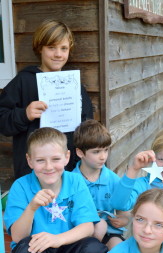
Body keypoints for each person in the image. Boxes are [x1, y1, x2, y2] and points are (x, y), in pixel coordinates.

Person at [3, 127, 108, 253]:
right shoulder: (21, 186)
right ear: (29, 161)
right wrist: (31, 208)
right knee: (27, 251)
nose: (49, 167)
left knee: (95, 249)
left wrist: (57, 239)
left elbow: (87, 227)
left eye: (55, 159)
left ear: (67, 157)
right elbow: (17, 236)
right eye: (40, 160)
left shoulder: (75, 182)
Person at [0, 19, 93, 179]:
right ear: (40, 49)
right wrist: (24, 114)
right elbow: (2, 121)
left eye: (63, 48)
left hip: (69, 169)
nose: (58, 54)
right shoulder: (23, 81)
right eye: (51, 47)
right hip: (33, 172)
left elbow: (87, 124)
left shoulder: (74, 84)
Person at [73, 119, 130, 250]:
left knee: (119, 250)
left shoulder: (113, 179)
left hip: (110, 233)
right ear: (80, 152)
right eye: (96, 152)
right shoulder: (71, 181)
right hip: (81, 234)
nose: (103, 156)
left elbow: (123, 211)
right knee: (98, 230)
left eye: (105, 150)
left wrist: (123, 220)